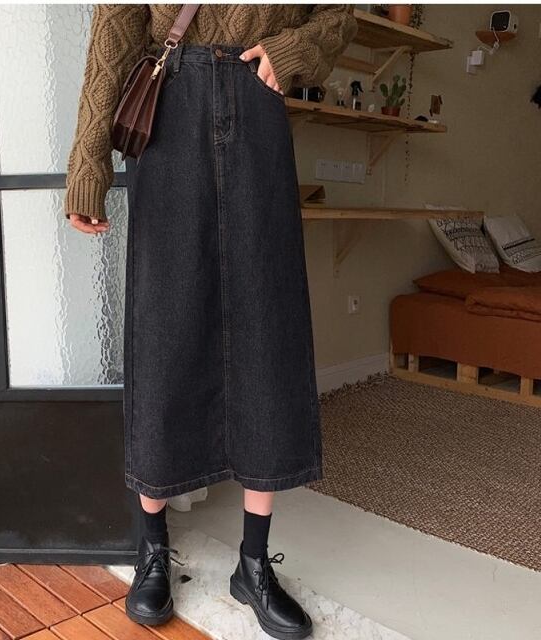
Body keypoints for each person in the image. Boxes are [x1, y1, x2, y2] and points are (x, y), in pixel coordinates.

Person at [65, 5, 358, 638]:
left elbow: (341, 15)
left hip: (257, 107)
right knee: (164, 332)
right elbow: (115, 29)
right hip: (170, 110)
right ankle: (152, 549)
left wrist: (292, 51)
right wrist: (89, 164)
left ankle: (253, 562)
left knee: (267, 328)